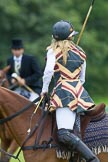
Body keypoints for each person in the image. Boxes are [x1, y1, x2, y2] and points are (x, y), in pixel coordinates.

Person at [41, 20, 101, 162]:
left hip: (63, 94)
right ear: (70, 37)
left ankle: (92, 160)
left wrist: (44, 90)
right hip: (80, 93)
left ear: (55, 37)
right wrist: (75, 88)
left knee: (63, 134)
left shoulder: (52, 51)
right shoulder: (81, 52)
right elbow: (82, 79)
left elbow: (48, 72)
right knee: (74, 129)